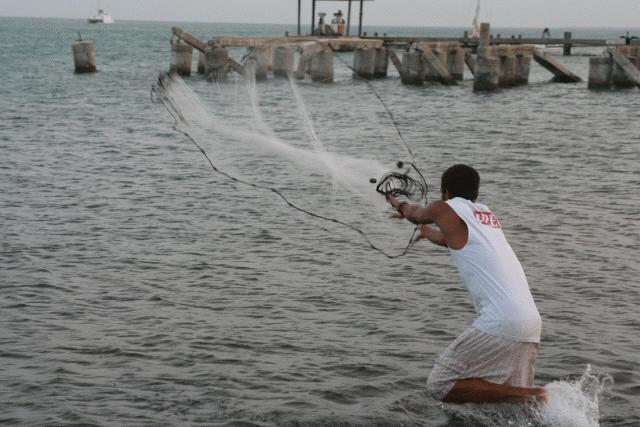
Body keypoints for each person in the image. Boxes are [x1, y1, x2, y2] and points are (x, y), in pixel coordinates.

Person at [386, 164, 545, 403]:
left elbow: (415, 213)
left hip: (502, 321)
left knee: (440, 383)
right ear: (476, 194)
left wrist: (397, 203)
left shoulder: (443, 207)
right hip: (530, 322)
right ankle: (539, 401)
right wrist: (427, 233)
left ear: (445, 192)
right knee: (518, 409)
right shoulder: (485, 214)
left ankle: (536, 393)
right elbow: (454, 239)